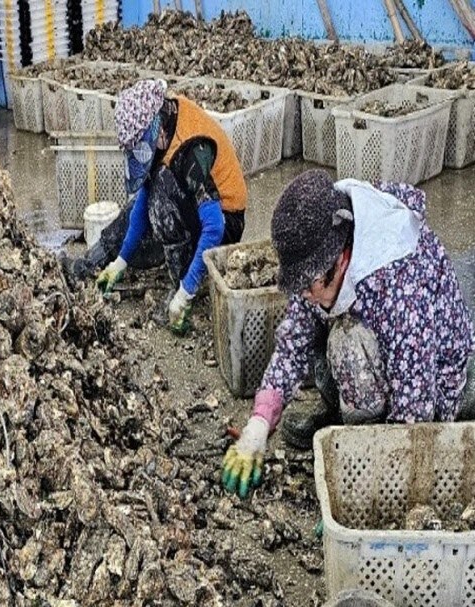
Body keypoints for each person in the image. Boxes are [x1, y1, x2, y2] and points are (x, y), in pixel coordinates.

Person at [222, 169, 475, 498]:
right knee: (322, 327)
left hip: (434, 382)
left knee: (346, 342)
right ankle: (343, 414)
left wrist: (366, 483)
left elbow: (416, 411)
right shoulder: (327, 245)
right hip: (385, 347)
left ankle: (363, 432)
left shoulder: (396, 284)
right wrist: (260, 421)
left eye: (309, 284)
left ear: (340, 260)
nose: (304, 294)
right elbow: (293, 344)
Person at [63, 78, 247, 334]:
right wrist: (120, 262)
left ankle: (180, 281)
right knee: (146, 199)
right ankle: (90, 263)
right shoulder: (165, 122)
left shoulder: (192, 149)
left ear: (156, 131)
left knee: (161, 193)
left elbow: (214, 227)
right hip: (191, 207)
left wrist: (186, 292)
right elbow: (141, 206)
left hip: (226, 222)